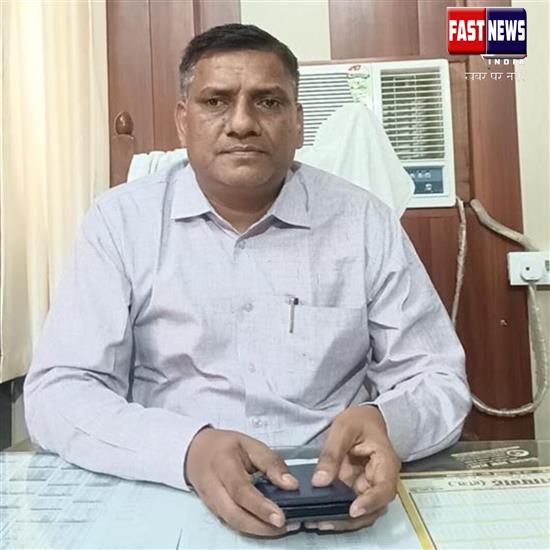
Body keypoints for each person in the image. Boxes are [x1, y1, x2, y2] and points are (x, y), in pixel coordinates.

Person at [24, 24, 471, 537]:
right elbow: (60, 391)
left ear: (298, 122)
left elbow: (437, 380)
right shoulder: (120, 222)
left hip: (334, 490)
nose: (241, 123)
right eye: (216, 101)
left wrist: (386, 423)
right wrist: (187, 448)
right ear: (183, 121)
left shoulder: (364, 222)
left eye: (268, 102)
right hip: (170, 491)